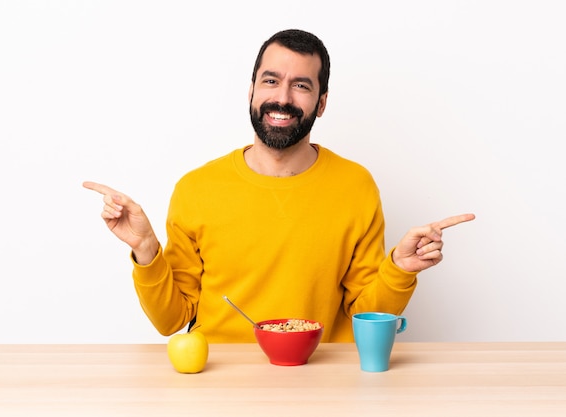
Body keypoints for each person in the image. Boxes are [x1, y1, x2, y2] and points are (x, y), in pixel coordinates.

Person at [83, 29, 474, 343]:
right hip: (220, 381)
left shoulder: (356, 185)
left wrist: (400, 270)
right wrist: (147, 252)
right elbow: (172, 322)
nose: (282, 98)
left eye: (301, 86)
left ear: (321, 102)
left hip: (321, 379)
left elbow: (362, 314)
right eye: (271, 81)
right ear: (252, 89)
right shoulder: (196, 189)